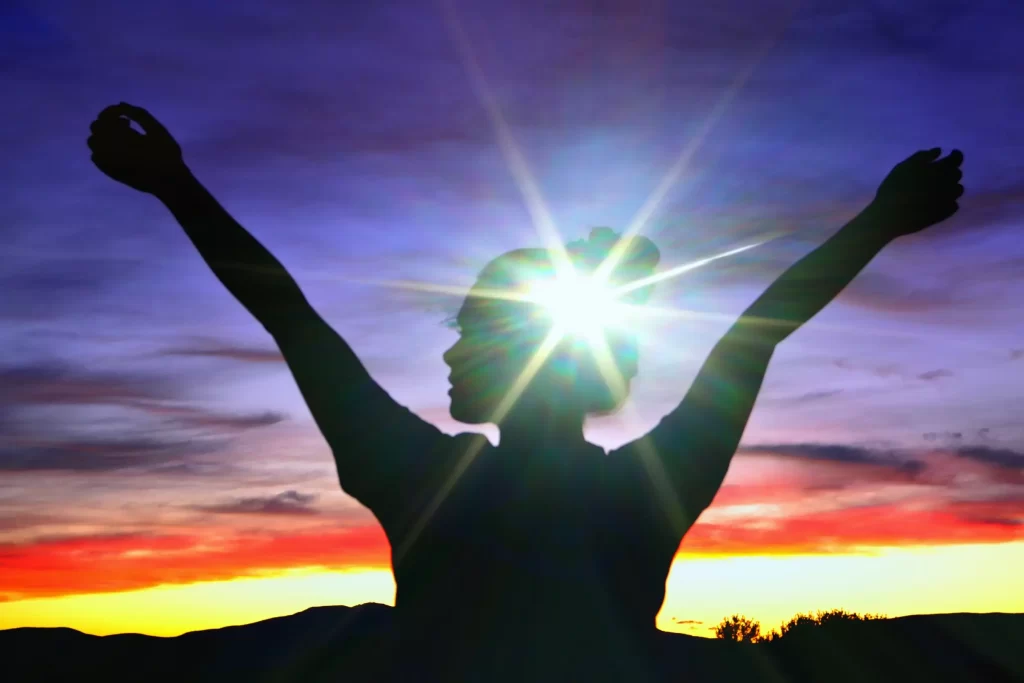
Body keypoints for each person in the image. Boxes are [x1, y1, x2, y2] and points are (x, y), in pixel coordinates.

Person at [88, 103, 964, 681]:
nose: (452, 350)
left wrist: (176, 186)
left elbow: (291, 318)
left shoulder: (422, 477)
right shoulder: (643, 491)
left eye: (472, 330)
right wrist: (878, 222)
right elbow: (756, 332)